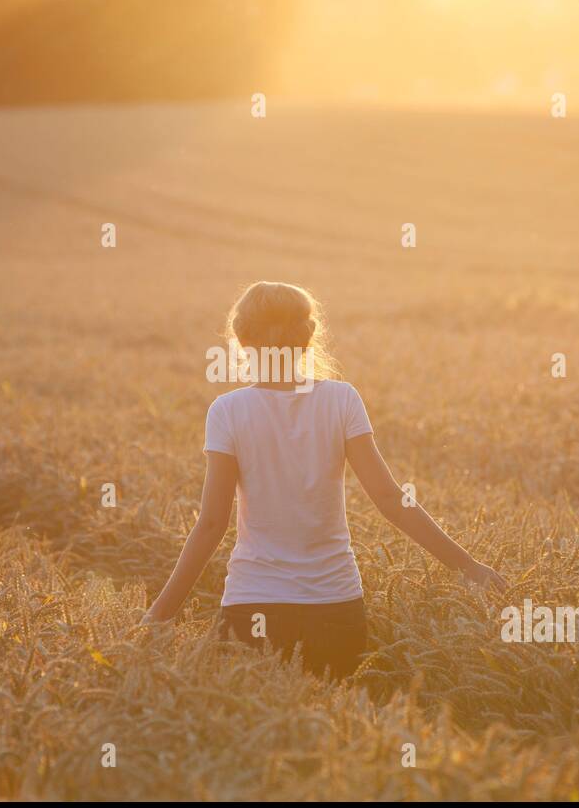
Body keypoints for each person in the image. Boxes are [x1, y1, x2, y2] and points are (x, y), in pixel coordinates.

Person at [142, 281, 506, 679]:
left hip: (254, 607)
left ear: (242, 340)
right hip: (336, 608)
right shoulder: (342, 399)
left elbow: (212, 524)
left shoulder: (228, 411)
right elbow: (388, 498)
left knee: (260, 732)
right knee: (333, 733)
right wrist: (469, 567)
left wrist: (159, 617)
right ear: (309, 334)